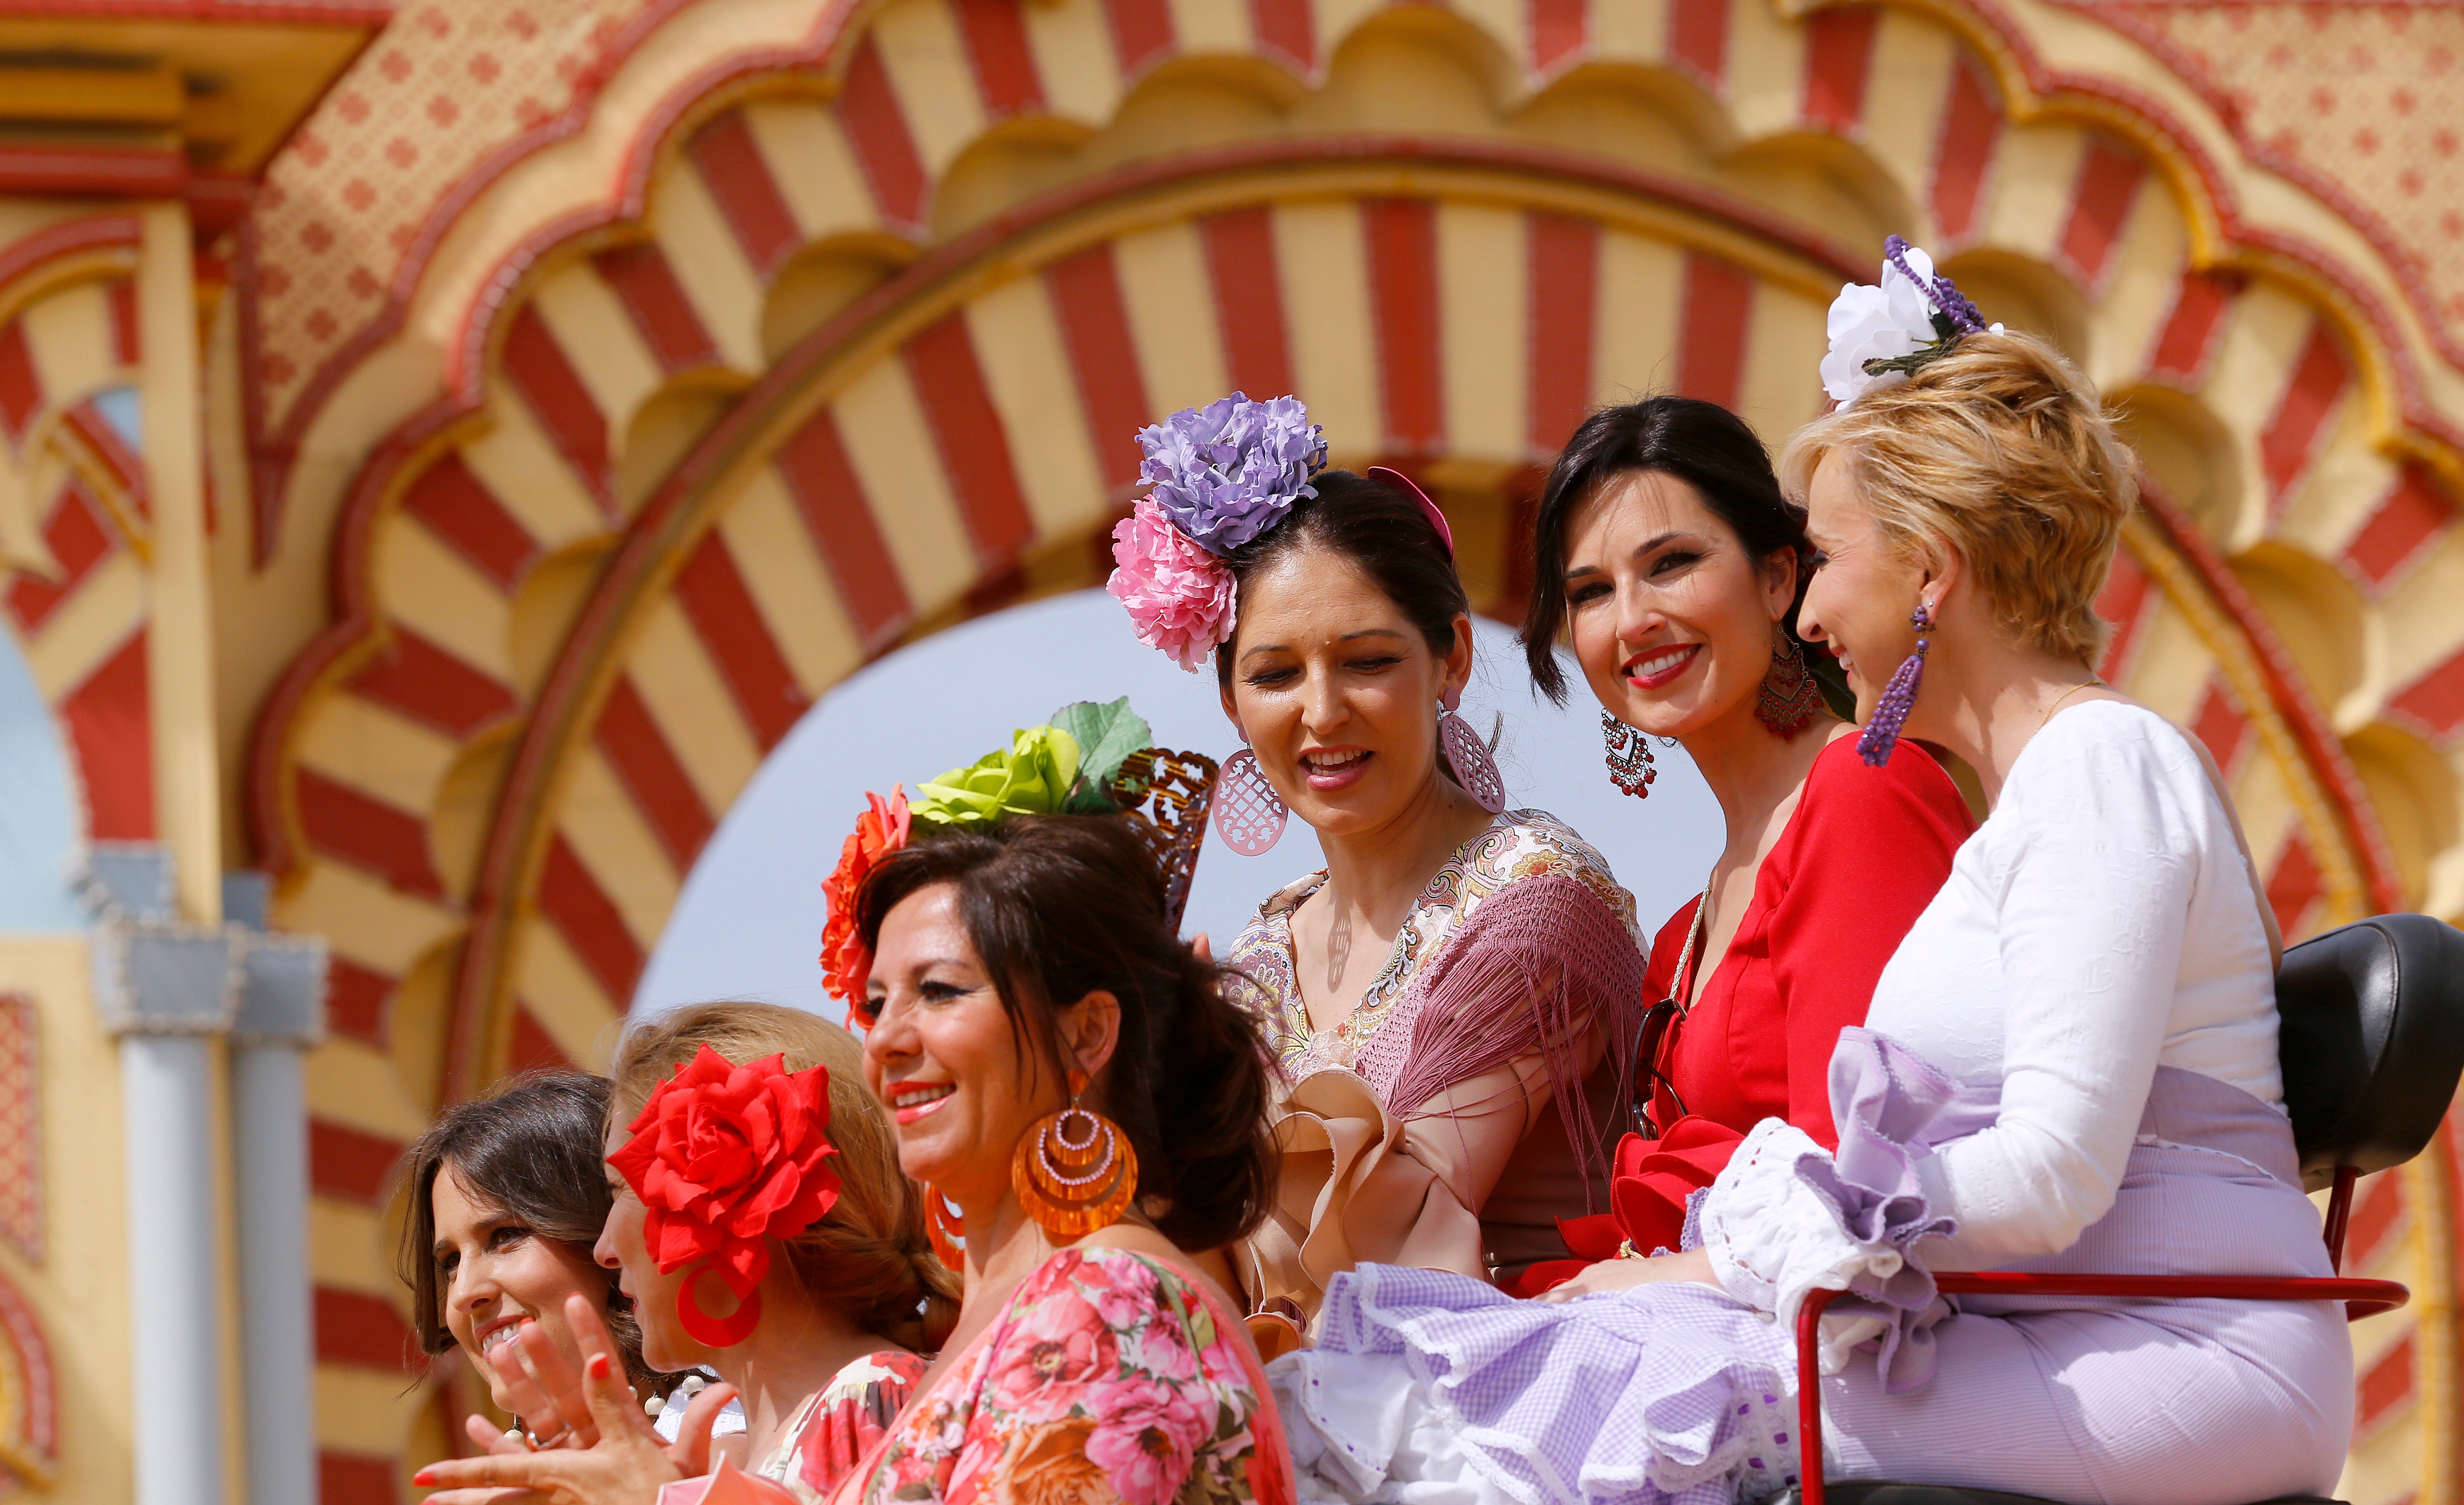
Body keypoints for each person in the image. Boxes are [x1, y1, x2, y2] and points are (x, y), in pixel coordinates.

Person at [1265, 240, 2349, 1505]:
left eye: (1820, 559)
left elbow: (2051, 1170)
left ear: (1928, 573)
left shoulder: (2098, 762)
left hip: (2181, 1347)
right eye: (1589, 592)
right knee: (1404, 1401)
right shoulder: (2012, 815)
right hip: (2056, 1335)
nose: (1814, 609)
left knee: (1503, 1429)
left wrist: (1743, 1242)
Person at [1105, 392, 1648, 1317]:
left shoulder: (1533, 898)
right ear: (1232, 704)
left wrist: (1166, 1101)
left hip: (1507, 1403)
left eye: (1366, 660)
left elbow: (1385, 1234)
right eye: (1276, 673)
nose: (1321, 711)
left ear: (1451, 660)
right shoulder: (1265, 945)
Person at [1512, 396, 1972, 1289]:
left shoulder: (1861, 791)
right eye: (1592, 592)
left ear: (1775, 578)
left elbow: (1865, 1183)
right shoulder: (1691, 923)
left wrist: (1644, 1282)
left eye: (1672, 563)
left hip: (1843, 1347)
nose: (1634, 617)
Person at [835, 813, 1296, 1505]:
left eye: (939, 991)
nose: (885, 1042)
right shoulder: (1017, 1308)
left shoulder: (1114, 1301)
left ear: (1086, 1035)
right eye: (877, 1004)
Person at [415, 1004, 953, 1505]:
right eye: (448, 1263)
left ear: (726, 1189)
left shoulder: (869, 1399)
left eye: (619, 1189)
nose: (606, 1247)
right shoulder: (816, 1418)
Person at [401, 1072, 693, 1452]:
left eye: (506, 1235)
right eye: (451, 1262)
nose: (464, 1294)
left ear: (611, 1232)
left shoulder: (754, 1450)